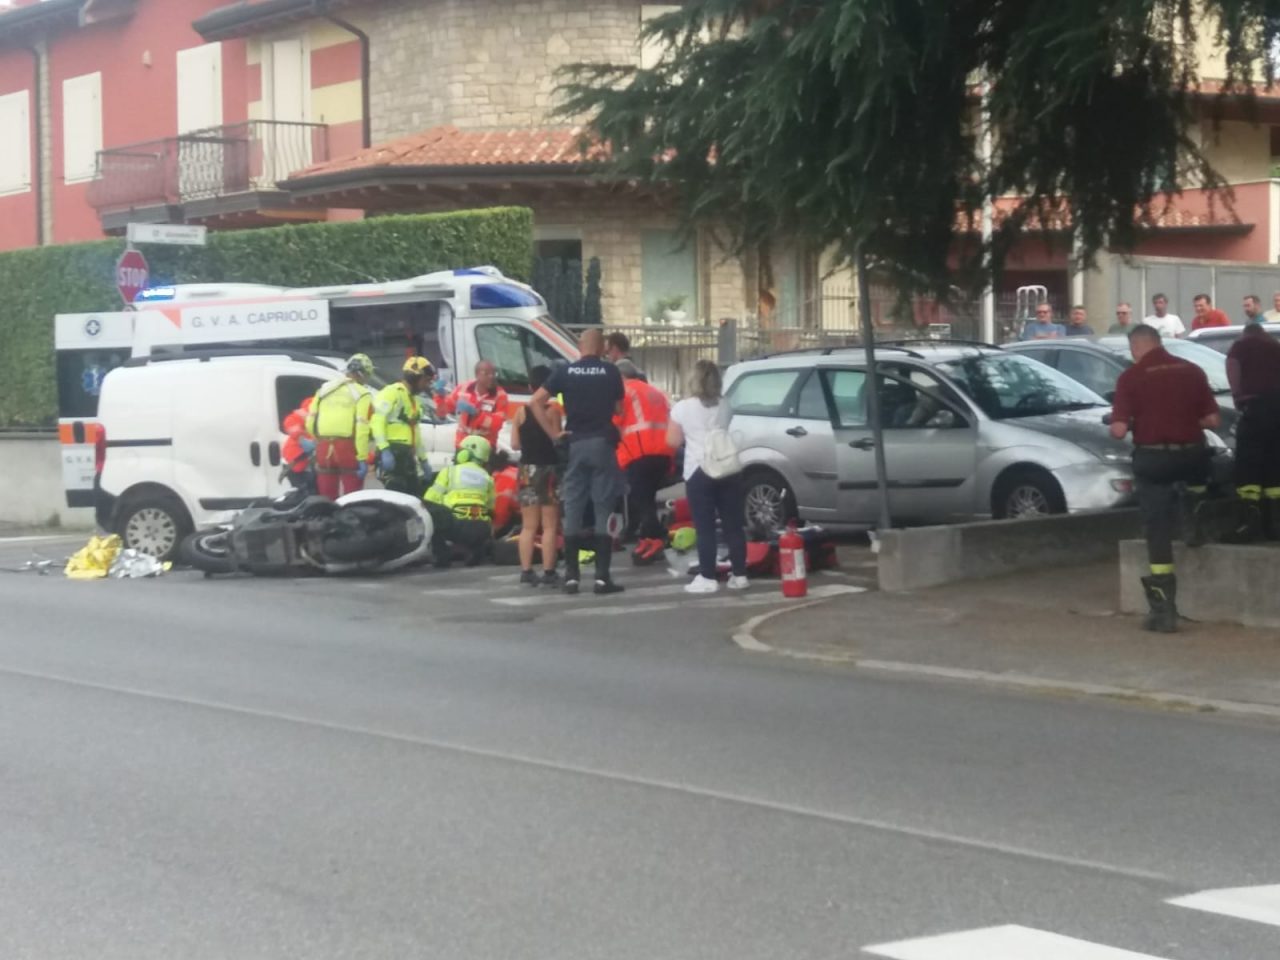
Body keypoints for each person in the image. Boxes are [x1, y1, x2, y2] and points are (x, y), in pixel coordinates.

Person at [1109, 325, 1220, 632]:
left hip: (1154, 460)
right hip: (1192, 455)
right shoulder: (1192, 370)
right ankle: (1193, 515)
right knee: (1198, 473)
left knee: (1156, 527)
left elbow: (1118, 430)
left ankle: (1164, 607)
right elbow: (1212, 419)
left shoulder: (1130, 378)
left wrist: (1127, 421)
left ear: (1135, 348)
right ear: (1159, 343)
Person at [530, 328, 626, 596]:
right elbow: (619, 409)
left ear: (581, 346)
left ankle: (571, 577)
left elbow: (535, 402)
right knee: (602, 506)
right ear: (601, 347)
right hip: (602, 444)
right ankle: (602, 578)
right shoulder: (611, 372)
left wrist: (554, 435)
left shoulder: (564, 372)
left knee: (572, 505)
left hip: (574, 444)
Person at [667, 359, 749, 594]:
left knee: (705, 527)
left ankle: (707, 577)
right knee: (733, 524)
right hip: (728, 467)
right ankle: (740, 575)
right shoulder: (726, 405)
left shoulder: (682, 408)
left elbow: (672, 441)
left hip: (699, 470)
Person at [1225, 323, 1280, 540]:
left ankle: (1250, 523)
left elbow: (1232, 367)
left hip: (1255, 409)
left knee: (1248, 464)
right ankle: (1275, 524)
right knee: (1275, 464)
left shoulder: (1240, 347)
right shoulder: (1276, 347)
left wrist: (1238, 397)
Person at [615, 359, 673, 563]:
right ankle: (648, 537)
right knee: (646, 498)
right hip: (664, 453)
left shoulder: (624, 391)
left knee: (642, 500)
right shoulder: (655, 392)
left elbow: (615, 420)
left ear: (620, 376)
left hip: (639, 452)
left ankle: (656, 538)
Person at [511, 365, 562, 586]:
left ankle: (526, 570)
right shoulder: (553, 411)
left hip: (526, 471)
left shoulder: (520, 412)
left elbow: (514, 444)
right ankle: (549, 572)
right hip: (548, 469)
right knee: (550, 525)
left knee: (529, 525)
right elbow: (557, 439)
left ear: (531, 386)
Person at [305, 353, 374, 499]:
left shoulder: (324, 389)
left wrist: (316, 440)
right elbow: (362, 428)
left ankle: (327, 520)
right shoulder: (362, 393)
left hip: (324, 448)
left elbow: (310, 422)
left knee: (327, 497)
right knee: (353, 497)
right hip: (347, 448)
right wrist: (362, 457)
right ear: (363, 374)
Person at [423, 435, 496, 567]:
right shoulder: (487, 477)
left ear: (465, 453)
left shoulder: (450, 472)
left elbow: (430, 499)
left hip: (456, 526)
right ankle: (475, 551)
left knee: (429, 513)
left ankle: (441, 557)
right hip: (481, 529)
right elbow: (491, 507)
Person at [372, 356, 433, 497]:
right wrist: (384, 449)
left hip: (407, 456)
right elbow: (377, 421)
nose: (427, 385)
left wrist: (423, 459)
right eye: (426, 380)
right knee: (395, 499)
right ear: (414, 377)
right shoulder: (391, 393)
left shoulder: (414, 400)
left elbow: (414, 431)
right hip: (393, 453)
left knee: (414, 497)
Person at [439, 359, 509, 450]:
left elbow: (497, 424)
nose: (491, 377)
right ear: (477, 375)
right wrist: (439, 396)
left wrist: (477, 414)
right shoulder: (463, 388)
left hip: (485, 447)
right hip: (463, 445)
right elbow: (443, 411)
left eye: (494, 374)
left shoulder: (500, 395)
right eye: (486, 374)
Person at [280, 395, 316, 494]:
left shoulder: (311, 413)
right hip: (296, 462)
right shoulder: (306, 414)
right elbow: (290, 423)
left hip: (301, 463)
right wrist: (301, 439)